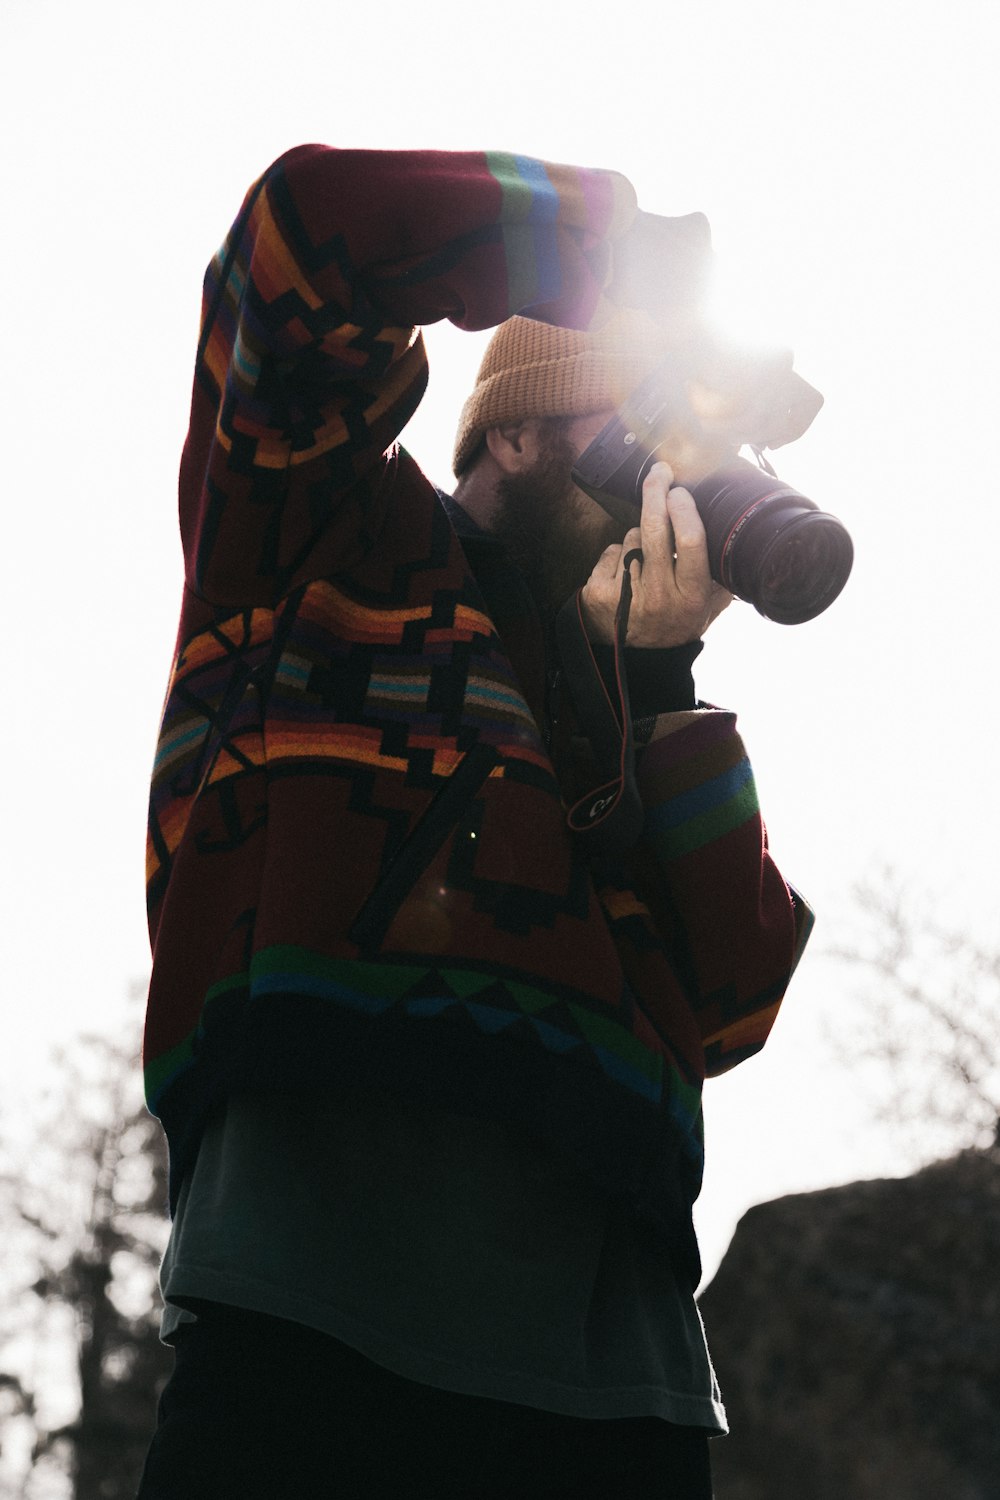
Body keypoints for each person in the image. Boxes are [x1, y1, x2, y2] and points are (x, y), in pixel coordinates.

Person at [137, 146, 813, 1499]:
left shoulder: (625, 699)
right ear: (512, 431)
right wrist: (612, 254)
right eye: (631, 439)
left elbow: (731, 1006)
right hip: (316, 1300)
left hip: (619, 1374)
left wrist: (666, 680)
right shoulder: (325, 544)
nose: (660, 487)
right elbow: (298, 241)